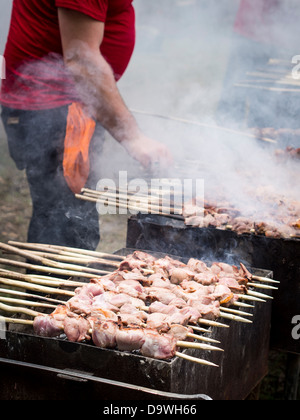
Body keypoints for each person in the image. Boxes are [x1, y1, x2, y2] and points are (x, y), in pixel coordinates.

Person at [0, 0, 173, 250]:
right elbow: (81, 60)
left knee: (68, 213)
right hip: (54, 107)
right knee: (66, 223)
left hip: (70, 103)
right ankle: (57, 289)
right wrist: (133, 137)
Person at [216, 0, 300, 143]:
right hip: (254, 32)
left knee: (289, 111)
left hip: (292, 39)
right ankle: (227, 151)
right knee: (237, 104)